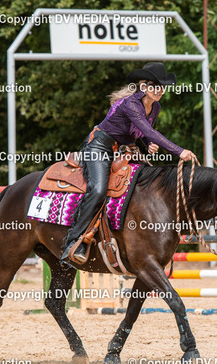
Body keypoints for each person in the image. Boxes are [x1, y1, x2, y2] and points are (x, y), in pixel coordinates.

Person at [61, 62, 197, 265]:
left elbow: (144, 133)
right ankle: (73, 241)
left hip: (123, 151)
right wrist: (179, 151)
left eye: (162, 87)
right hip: (99, 148)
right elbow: (149, 131)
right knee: (98, 189)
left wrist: (149, 144)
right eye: (154, 86)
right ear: (143, 86)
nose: (159, 91)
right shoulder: (130, 104)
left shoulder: (155, 107)